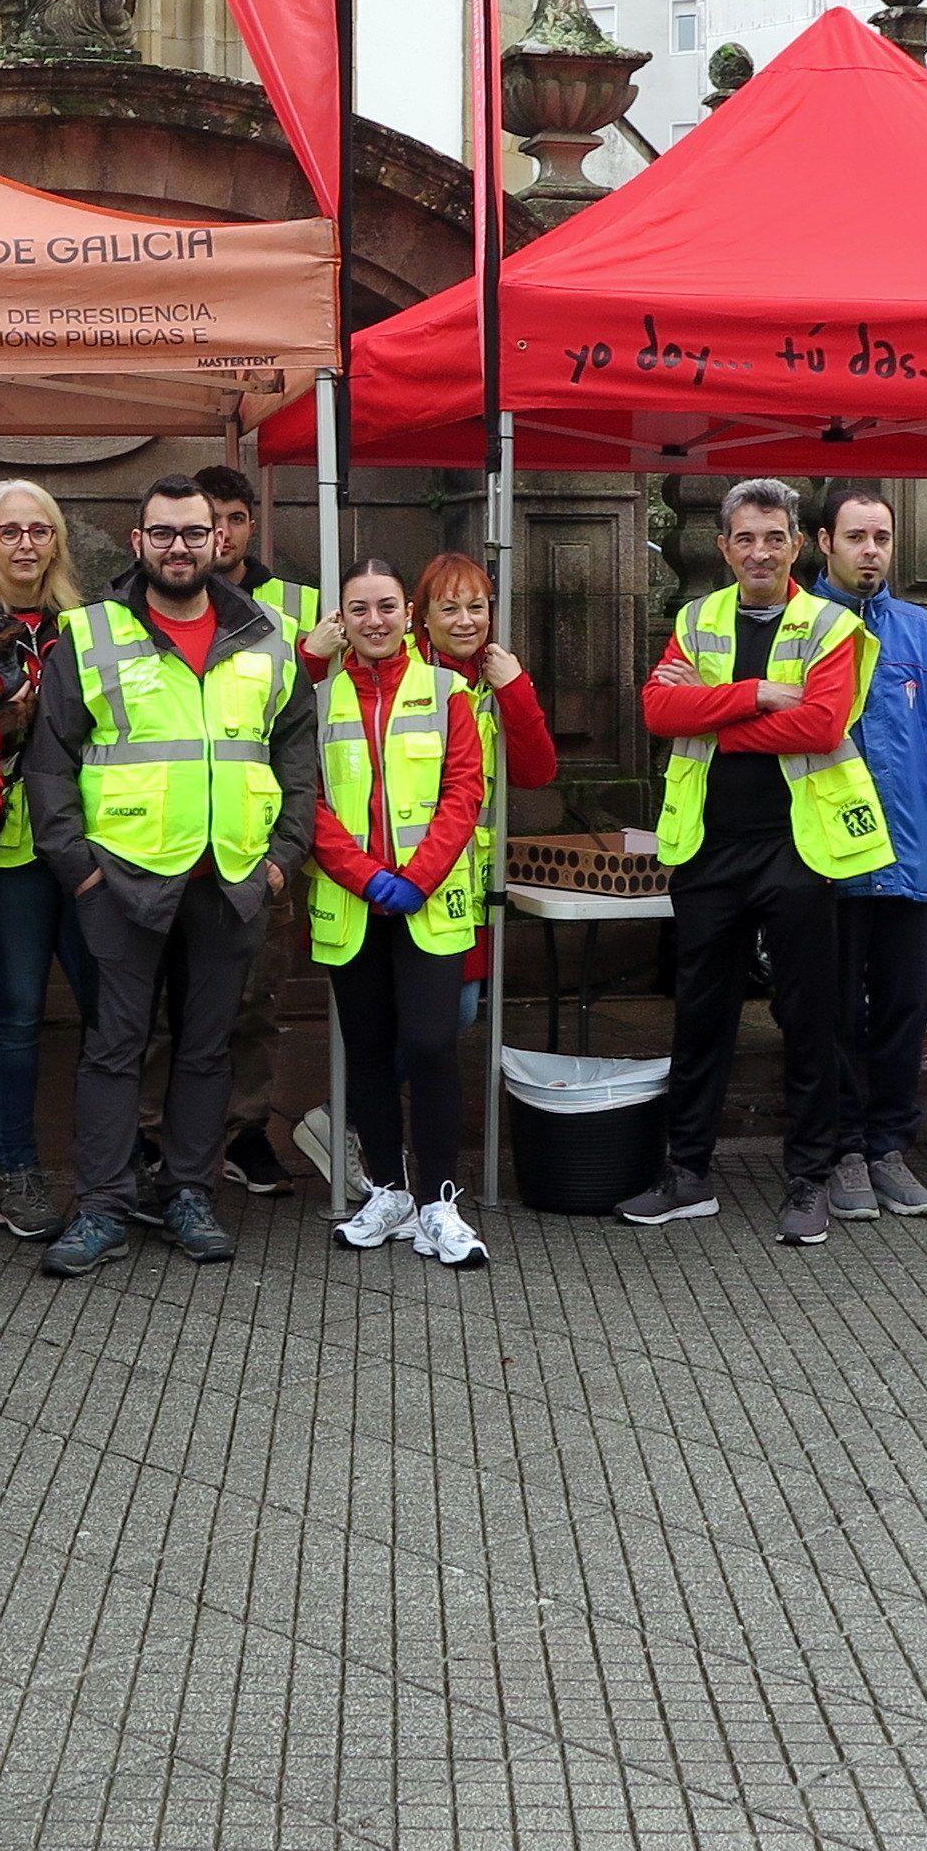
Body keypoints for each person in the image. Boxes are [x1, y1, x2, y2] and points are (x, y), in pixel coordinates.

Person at [24, 475, 319, 1275]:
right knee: (115, 1047)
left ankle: (189, 1191)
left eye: (195, 533)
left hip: (232, 879)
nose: (181, 547)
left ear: (218, 542)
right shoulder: (89, 635)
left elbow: (299, 759)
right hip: (121, 879)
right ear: (139, 542)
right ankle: (102, 1206)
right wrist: (79, 872)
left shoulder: (266, 637)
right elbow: (48, 766)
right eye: (164, 533)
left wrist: (281, 863)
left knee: (207, 1048)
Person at [627, 478, 891, 1243]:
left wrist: (711, 710)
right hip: (709, 847)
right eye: (745, 538)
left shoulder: (830, 626)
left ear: (798, 544)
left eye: (774, 537)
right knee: (700, 1017)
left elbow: (820, 724)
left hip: (798, 847)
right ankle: (688, 1174)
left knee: (809, 1017)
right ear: (723, 547)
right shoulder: (696, 617)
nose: (760, 552)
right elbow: (654, 711)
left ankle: (808, 1178)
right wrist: (757, 695)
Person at [311, 556, 491, 1267]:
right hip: (353, 904)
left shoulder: (446, 690)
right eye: (360, 610)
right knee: (369, 1052)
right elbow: (307, 801)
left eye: (387, 607)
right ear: (342, 622)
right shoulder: (316, 699)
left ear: (407, 616)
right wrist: (363, 876)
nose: (376, 621)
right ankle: (388, 1189)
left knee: (430, 1044)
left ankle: (439, 1203)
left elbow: (464, 789)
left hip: (428, 900)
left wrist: (415, 877)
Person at [806, 483, 927, 1220]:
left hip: (913, 856)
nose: (871, 551)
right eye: (857, 537)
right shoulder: (797, 628)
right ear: (824, 542)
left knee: (902, 1009)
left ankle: (890, 1146)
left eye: (882, 538)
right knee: (833, 1014)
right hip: (827, 864)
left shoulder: (924, 633)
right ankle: (843, 1150)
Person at [0, 480, 99, 1240]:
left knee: (110, 1010)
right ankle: (17, 1171)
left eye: (38, 530)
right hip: (6, 848)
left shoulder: (89, 627)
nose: (23, 544)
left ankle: (112, 1164)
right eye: (8, 531)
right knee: (15, 1013)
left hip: (85, 845)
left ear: (57, 541)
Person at [195, 460, 320, 1195]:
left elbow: (306, 728)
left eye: (235, 518)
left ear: (250, 525)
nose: (221, 534)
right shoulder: (154, 605)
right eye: (208, 519)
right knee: (173, 1009)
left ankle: (246, 1133)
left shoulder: (294, 606)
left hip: (263, 836)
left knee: (258, 998)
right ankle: (167, 1138)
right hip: (177, 842)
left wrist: (290, 844)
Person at [413, 553, 555, 1038]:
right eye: (450, 608)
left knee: (460, 1012)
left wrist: (515, 689)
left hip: (471, 883)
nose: (466, 621)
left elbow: (536, 772)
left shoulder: (498, 673)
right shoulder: (400, 669)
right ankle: (352, 1109)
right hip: (404, 871)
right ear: (423, 615)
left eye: (477, 607)